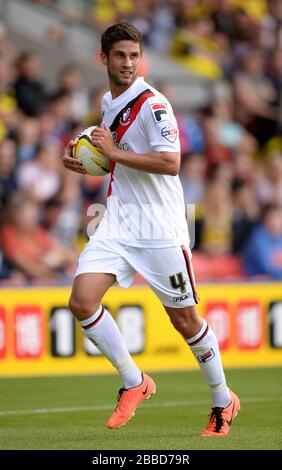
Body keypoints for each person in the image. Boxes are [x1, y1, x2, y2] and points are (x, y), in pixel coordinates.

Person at [63, 21, 240, 436]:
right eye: (120, 56)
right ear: (103, 58)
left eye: (134, 56)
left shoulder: (153, 103)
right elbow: (116, 154)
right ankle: (134, 381)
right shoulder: (109, 101)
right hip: (119, 222)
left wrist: (114, 154)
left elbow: (170, 162)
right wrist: (87, 159)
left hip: (159, 227)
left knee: (186, 321)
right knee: (82, 301)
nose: (128, 63)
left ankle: (222, 399)